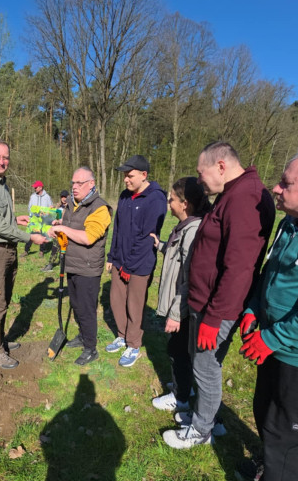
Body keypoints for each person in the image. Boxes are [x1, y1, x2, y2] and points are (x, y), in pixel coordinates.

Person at [162, 141, 275, 449]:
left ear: (221, 166)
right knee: (203, 366)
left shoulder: (245, 198)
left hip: (217, 307)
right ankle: (205, 417)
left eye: (202, 172)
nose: (199, 181)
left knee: (206, 368)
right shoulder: (232, 194)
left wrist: (214, 316)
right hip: (207, 301)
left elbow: (239, 267)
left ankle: (201, 430)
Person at [222, 155, 298, 481]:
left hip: (293, 355)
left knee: (286, 432)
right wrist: (252, 308)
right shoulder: (288, 225)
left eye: (286, 184)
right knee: (264, 411)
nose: (276, 189)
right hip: (271, 341)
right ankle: (273, 469)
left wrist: (274, 339)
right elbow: (267, 275)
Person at [151, 177, 227, 431]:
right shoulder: (186, 226)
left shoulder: (194, 230)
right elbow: (177, 258)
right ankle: (183, 390)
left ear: (185, 204)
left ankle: (181, 398)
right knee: (180, 351)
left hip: (182, 309)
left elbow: (189, 278)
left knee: (179, 352)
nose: (168, 203)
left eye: (171, 199)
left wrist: (175, 313)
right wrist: (161, 246)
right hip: (180, 308)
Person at [0, 140, 46, 369]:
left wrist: (16, 219)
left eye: (5, 157)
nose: (2, 161)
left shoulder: (1, 183)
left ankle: (0, 341)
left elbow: (1, 220)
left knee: (4, 299)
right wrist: (29, 237)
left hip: (8, 249)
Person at [105, 155, 167, 367]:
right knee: (115, 299)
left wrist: (129, 267)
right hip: (120, 260)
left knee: (134, 304)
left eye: (129, 176)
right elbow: (118, 230)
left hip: (139, 264)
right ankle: (122, 335)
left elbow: (146, 238)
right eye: (124, 176)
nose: (125, 180)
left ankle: (133, 344)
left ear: (144, 175)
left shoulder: (155, 199)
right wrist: (112, 257)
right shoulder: (124, 197)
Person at [48, 167, 112, 366]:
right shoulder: (73, 204)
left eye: (79, 183)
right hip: (72, 264)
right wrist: (60, 221)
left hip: (87, 266)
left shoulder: (100, 208)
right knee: (76, 305)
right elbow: (73, 224)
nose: (74, 187)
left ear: (91, 184)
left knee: (86, 309)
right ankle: (83, 337)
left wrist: (62, 228)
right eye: (73, 183)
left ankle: (91, 348)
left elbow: (88, 237)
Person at [22, 180, 53, 258]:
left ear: (40, 187)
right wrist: (32, 214)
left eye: (36, 187)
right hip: (34, 219)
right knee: (31, 235)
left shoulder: (47, 197)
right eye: (34, 187)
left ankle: (41, 251)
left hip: (44, 219)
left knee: (43, 235)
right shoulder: (32, 196)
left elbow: (51, 207)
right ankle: (26, 250)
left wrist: (48, 211)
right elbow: (29, 207)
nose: (34, 188)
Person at [42, 190, 70, 272]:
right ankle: (50, 264)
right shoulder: (58, 206)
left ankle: (64, 265)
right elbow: (56, 216)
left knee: (64, 248)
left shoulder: (70, 207)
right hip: (57, 229)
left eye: (65, 197)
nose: (63, 199)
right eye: (62, 197)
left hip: (66, 230)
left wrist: (60, 221)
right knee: (55, 247)